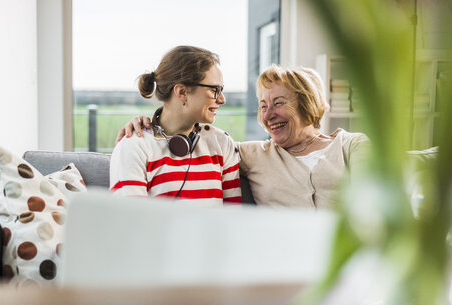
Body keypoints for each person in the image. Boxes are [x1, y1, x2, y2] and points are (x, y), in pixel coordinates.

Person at [116, 64, 369, 208]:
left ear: (307, 105)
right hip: (285, 272)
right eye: (262, 105)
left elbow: (375, 208)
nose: (268, 115)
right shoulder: (252, 154)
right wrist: (150, 124)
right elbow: (201, 143)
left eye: (278, 103)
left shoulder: (352, 145)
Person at [110, 46, 242, 205]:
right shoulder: (133, 146)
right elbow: (131, 224)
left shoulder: (223, 144)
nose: (222, 99)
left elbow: (232, 220)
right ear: (182, 92)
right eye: (215, 89)